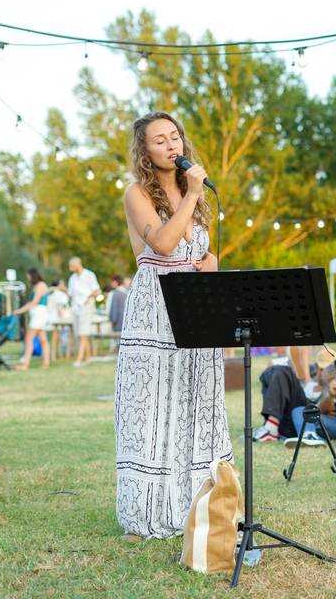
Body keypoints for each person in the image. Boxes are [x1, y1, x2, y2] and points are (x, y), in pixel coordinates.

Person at [114, 111, 230, 540]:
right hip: (156, 308)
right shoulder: (137, 193)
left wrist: (210, 262)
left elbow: (197, 249)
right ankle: (147, 511)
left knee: (195, 402)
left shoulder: (192, 194)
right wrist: (192, 193)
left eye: (175, 136)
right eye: (159, 140)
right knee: (155, 407)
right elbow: (162, 244)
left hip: (196, 305)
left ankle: (195, 503)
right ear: (144, 150)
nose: (171, 145)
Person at [254, 346, 322, 442]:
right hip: (286, 417)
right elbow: (296, 352)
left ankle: (271, 427)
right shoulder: (309, 370)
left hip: (306, 418)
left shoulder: (334, 377)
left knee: (280, 371)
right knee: (272, 371)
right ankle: (271, 424)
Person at [12, 268, 51, 370]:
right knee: (43, 340)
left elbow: (35, 302)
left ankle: (26, 364)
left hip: (39, 314)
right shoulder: (38, 286)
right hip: (40, 314)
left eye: (28, 276)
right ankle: (46, 363)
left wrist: (20, 310)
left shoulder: (40, 285)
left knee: (29, 339)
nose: (28, 278)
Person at [68, 257, 100, 367]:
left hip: (86, 307)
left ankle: (79, 359)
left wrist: (87, 298)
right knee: (80, 334)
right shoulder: (72, 278)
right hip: (76, 308)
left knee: (83, 334)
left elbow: (96, 291)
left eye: (71, 265)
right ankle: (88, 358)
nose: (70, 268)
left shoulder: (89, 275)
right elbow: (71, 294)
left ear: (78, 264)